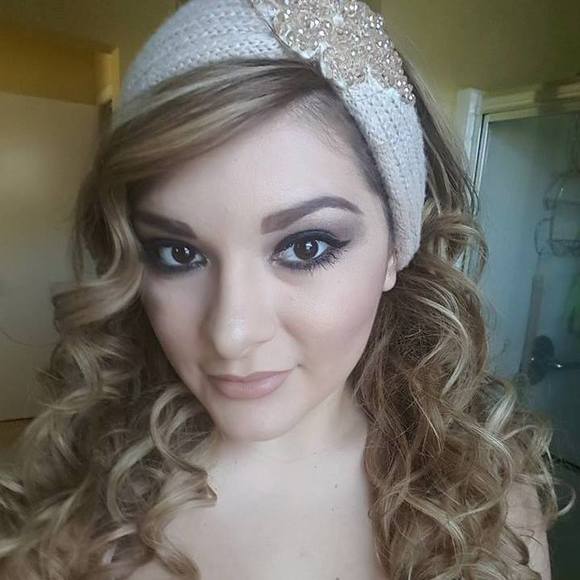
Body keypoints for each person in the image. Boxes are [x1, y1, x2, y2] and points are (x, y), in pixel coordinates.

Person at [0, 0, 573, 578]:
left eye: (306, 247)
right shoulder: (67, 518)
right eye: (178, 253)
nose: (231, 334)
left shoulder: (489, 506)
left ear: (395, 250)